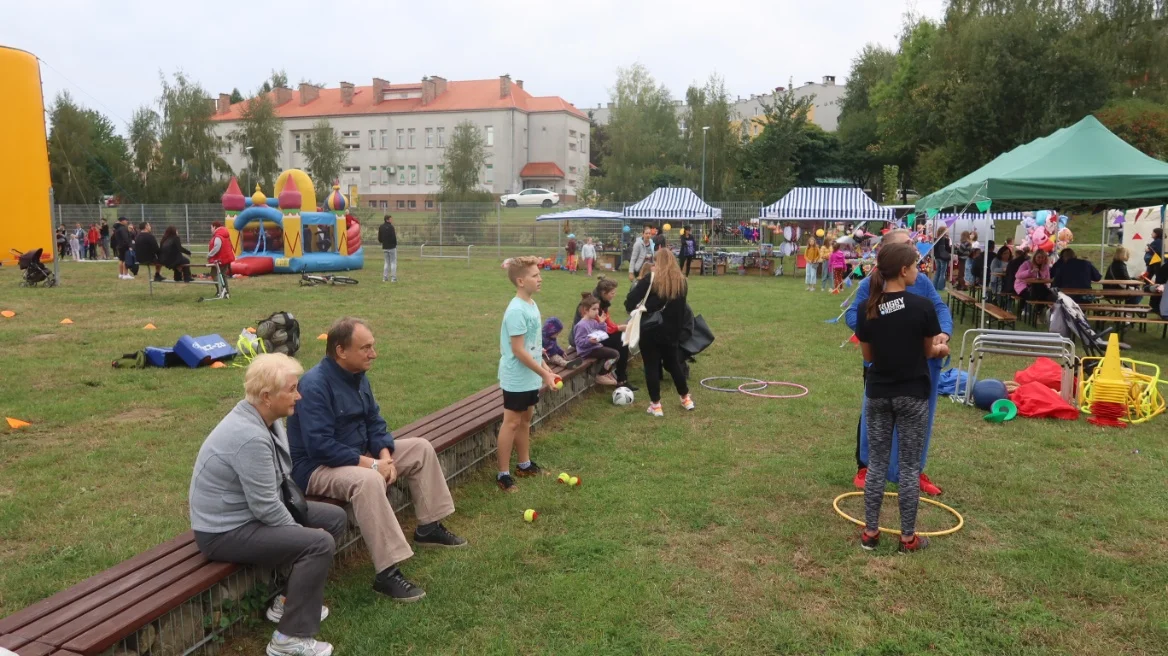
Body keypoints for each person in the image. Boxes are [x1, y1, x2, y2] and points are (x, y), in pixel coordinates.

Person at [288, 318, 466, 603]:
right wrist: (372, 466)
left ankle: (429, 527)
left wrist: (384, 455)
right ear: (340, 350)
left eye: (373, 346)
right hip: (316, 467)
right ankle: (387, 573)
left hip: (358, 455)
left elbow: (374, 421)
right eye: (366, 347)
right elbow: (319, 446)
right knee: (369, 481)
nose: (374, 353)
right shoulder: (315, 385)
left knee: (420, 448)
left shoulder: (358, 375)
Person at [189, 353, 346, 656]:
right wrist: (300, 535)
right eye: (292, 389)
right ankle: (288, 639)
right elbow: (264, 508)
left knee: (334, 519)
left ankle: (286, 602)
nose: (298, 396)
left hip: (247, 515)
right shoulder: (249, 436)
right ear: (266, 396)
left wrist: (299, 531)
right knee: (318, 543)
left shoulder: (266, 420)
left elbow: (272, 492)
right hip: (223, 531)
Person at [855, 242, 949, 554]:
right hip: (912, 395)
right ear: (903, 271)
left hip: (879, 393)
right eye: (915, 266)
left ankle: (870, 533)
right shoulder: (921, 307)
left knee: (877, 464)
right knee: (909, 468)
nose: (919, 271)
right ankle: (907, 538)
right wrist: (941, 349)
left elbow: (869, 356)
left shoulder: (867, 308)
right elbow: (927, 351)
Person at [495, 256, 560, 492]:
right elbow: (518, 350)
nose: (540, 279)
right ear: (521, 281)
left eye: (539, 274)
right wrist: (543, 373)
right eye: (535, 276)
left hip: (531, 374)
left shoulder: (531, 305)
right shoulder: (516, 310)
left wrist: (544, 365)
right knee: (511, 423)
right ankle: (503, 474)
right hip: (516, 377)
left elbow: (532, 344)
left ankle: (524, 464)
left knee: (525, 420)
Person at [624, 249, 691, 417]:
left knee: (651, 366)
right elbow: (682, 310)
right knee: (674, 364)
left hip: (651, 329)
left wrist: (640, 308)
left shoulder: (651, 279)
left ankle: (656, 404)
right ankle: (685, 398)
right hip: (672, 331)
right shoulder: (681, 282)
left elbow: (630, 301)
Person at [572, 276, 636, 390]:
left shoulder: (601, 302)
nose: (614, 294)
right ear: (603, 292)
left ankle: (619, 376)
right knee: (620, 341)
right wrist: (618, 328)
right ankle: (618, 378)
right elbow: (599, 329)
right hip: (585, 339)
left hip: (595, 335)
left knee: (621, 339)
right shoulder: (594, 305)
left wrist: (618, 327)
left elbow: (606, 323)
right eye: (612, 292)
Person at [572, 294, 620, 386]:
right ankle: (601, 375)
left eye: (597, 309)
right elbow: (578, 342)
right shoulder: (581, 325)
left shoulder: (593, 321)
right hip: (587, 351)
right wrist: (589, 341)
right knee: (615, 355)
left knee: (613, 352)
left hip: (595, 346)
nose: (597, 312)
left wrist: (602, 323)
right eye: (594, 309)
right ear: (586, 310)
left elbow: (603, 332)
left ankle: (605, 372)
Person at [931, 227, 952, 291]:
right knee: (942, 272)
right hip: (943, 257)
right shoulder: (945, 239)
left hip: (937, 257)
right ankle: (941, 287)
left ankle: (934, 286)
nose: (947, 232)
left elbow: (934, 249)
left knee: (937, 272)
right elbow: (948, 249)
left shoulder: (935, 239)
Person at [378, 215, 398, 282]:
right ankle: (393, 278)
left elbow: (379, 238)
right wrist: (395, 244)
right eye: (390, 219)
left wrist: (383, 242)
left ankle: (385, 278)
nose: (391, 220)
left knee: (386, 262)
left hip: (385, 247)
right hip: (392, 247)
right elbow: (393, 237)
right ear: (387, 220)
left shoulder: (381, 227)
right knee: (393, 262)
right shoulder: (391, 227)